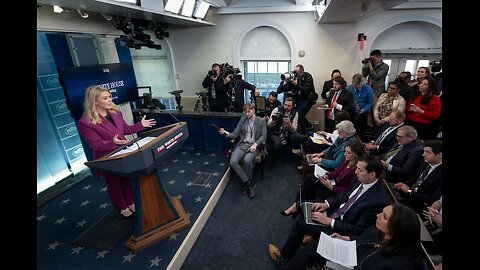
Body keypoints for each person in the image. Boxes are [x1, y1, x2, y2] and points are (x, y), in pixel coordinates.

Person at [267, 155, 390, 268]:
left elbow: (357, 230)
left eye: (359, 169)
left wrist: (329, 221)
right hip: (337, 213)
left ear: (372, 174)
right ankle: (306, 234)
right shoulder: (360, 179)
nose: (355, 171)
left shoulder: (378, 201)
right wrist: (326, 203)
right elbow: (344, 196)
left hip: (341, 229)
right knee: (305, 206)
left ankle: (284, 258)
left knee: (300, 222)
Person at [76, 86, 156, 218]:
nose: (110, 100)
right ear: (95, 101)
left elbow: (125, 129)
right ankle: (122, 208)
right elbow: (95, 145)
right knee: (115, 184)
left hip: (124, 151)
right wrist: (113, 142)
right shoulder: (85, 122)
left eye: (110, 97)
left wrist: (141, 125)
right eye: (105, 98)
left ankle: (130, 202)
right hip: (107, 157)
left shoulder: (115, 112)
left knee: (127, 179)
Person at [273, 204, 422, 270]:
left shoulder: (400, 265)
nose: (377, 216)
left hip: (351, 264)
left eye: (383, 216)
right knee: (313, 247)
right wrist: (347, 239)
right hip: (349, 254)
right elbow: (364, 239)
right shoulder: (379, 230)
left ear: (397, 227)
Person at [281, 140, 366, 217]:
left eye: (348, 153)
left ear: (356, 155)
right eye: (345, 152)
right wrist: (327, 176)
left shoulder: (357, 171)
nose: (344, 154)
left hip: (336, 193)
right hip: (333, 183)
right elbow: (336, 172)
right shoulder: (347, 160)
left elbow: (347, 192)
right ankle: (298, 205)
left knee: (309, 183)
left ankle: (297, 206)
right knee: (309, 178)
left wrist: (331, 187)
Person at [218, 103, 267, 199]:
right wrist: (225, 132)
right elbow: (235, 134)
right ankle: (249, 183)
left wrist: (255, 144)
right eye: (245, 112)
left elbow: (264, 136)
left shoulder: (261, 121)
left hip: (254, 145)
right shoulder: (242, 119)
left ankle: (248, 184)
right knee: (233, 162)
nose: (247, 114)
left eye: (249, 111)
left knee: (247, 160)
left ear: (253, 110)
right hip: (242, 144)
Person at [393, 139, 442, 214]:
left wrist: (409, 192)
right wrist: (404, 184)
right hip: (408, 195)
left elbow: (432, 199)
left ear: (440, 155)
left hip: (419, 205)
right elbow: (416, 177)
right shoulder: (425, 162)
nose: (423, 155)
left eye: (428, 152)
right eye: (424, 151)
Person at [277, 64, 316, 134]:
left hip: (308, 98)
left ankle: (308, 129)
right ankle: (305, 129)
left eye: (295, 72)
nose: (294, 73)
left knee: (300, 114)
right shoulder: (294, 80)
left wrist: (296, 85)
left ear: (301, 72)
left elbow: (306, 90)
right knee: (298, 115)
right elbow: (279, 90)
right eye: (293, 71)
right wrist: (284, 81)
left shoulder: (308, 77)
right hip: (300, 99)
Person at [346, 73, 374, 142]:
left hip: (362, 115)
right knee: (349, 133)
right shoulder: (348, 88)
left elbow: (370, 103)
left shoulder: (368, 89)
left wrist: (364, 109)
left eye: (359, 85)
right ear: (352, 82)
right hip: (351, 114)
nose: (357, 87)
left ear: (362, 82)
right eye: (355, 85)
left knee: (360, 133)